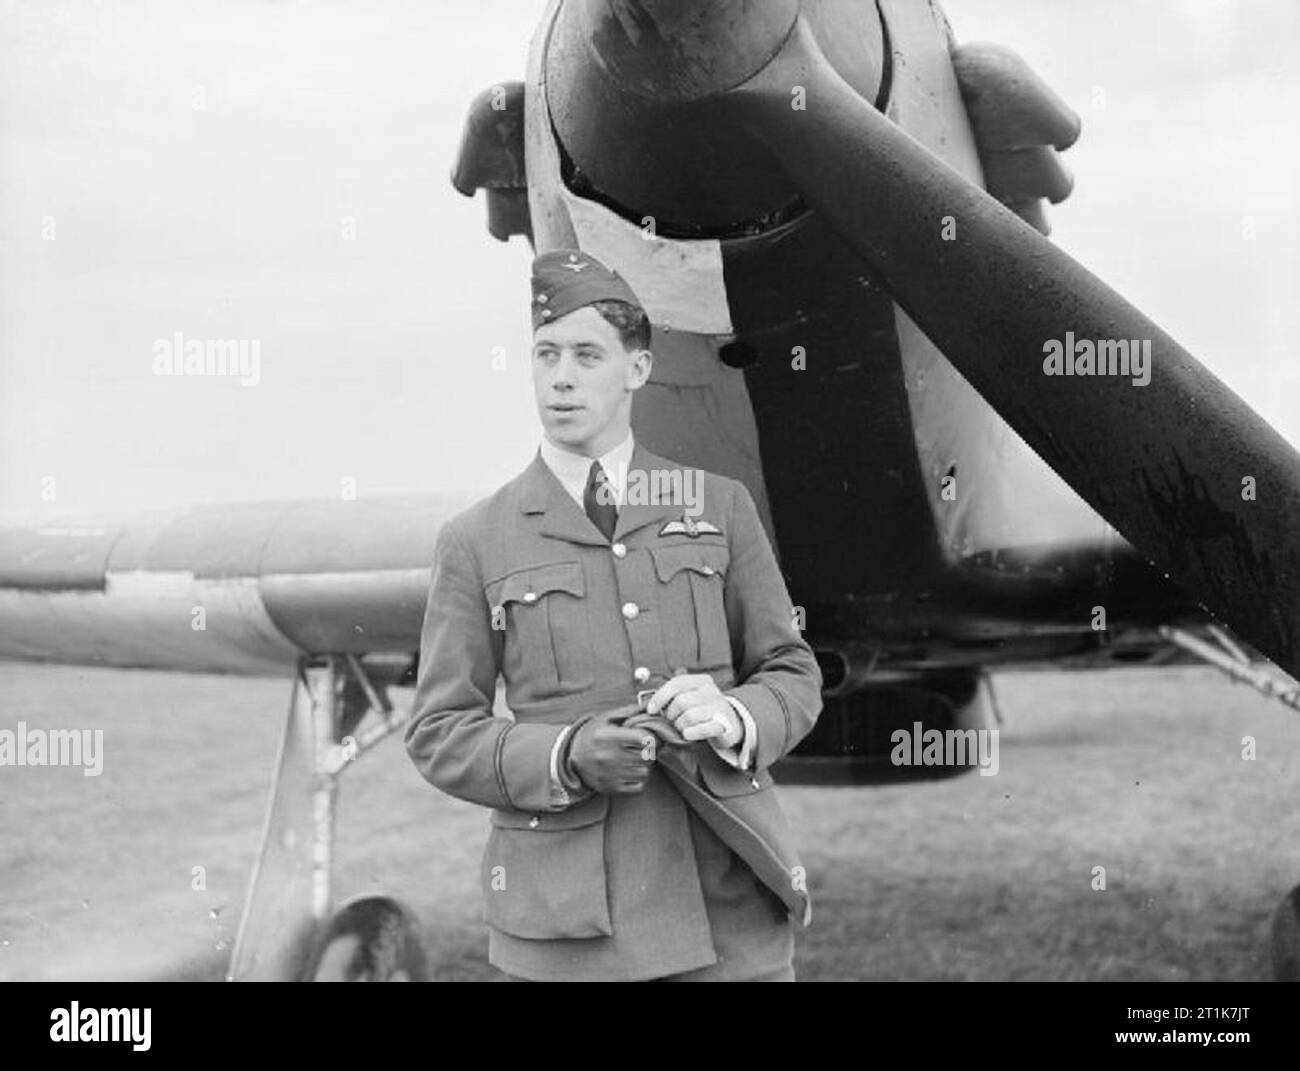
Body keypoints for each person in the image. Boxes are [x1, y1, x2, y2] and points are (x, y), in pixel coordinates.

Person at [405, 248, 823, 981]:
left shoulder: (716, 505)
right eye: (546, 354)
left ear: (637, 368)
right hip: (571, 930)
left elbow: (791, 670)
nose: (561, 376)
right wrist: (564, 753)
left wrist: (732, 716)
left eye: (587, 354)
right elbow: (440, 731)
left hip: (727, 908)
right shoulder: (475, 539)